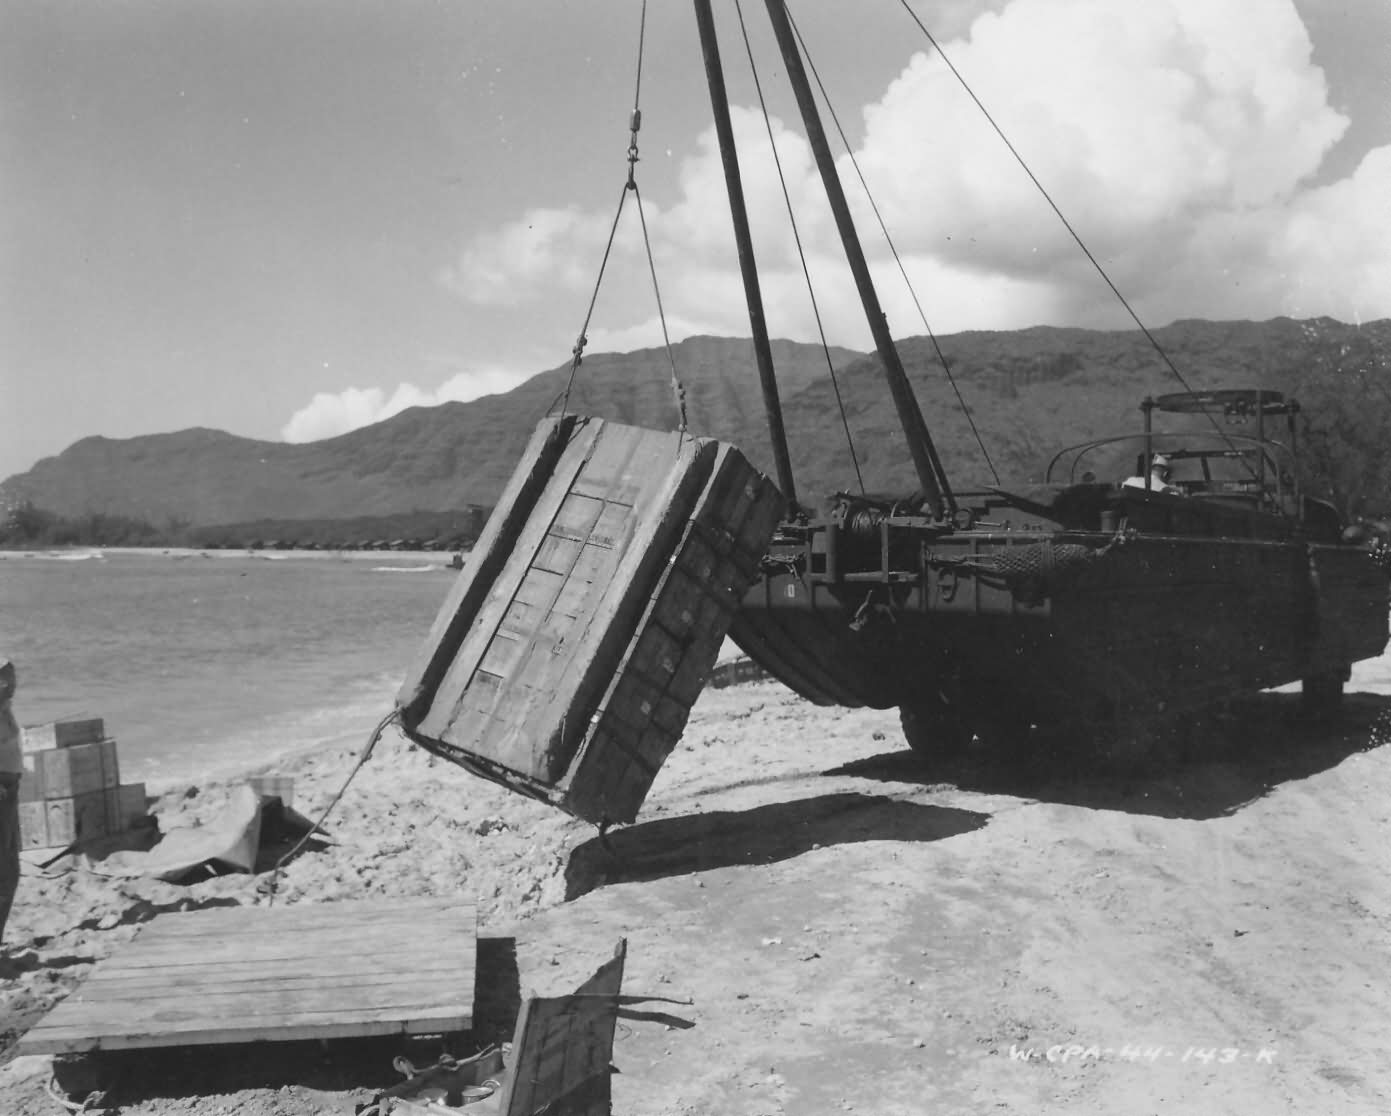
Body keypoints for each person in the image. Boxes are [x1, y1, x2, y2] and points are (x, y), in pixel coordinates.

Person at [0, 659, 20, 945]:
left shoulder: (5, 708)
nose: (12, 684)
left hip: (10, 790)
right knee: (4, 872)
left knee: (11, 871)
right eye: (6, 679)